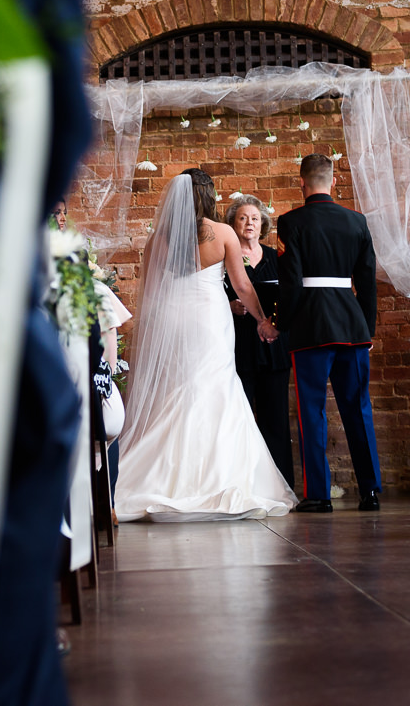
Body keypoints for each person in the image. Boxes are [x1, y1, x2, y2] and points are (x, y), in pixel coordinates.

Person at [113, 169, 298, 521]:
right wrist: (263, 321)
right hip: (210, 321)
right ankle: (219, 478)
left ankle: (163, 477)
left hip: (174, 320)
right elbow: (243, 286)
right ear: (209, 196)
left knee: (178, 390)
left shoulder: (158, 239)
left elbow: (150, 296)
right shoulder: (224, 233)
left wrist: (153, 331)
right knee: (216, 388)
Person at [277, 154, 382, 513]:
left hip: (310, 326)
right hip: (352, 325)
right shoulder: (357, 221)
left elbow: (291, 283)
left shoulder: (291, 222)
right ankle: (370, 490)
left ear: (302, 183)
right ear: (333, 181)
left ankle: (319, 495)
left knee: (312, 411)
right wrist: (366, 330)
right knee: (358, 408)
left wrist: (279, 322)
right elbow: (367, 283)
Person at [223, 193, 295, 485]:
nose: (249, 223)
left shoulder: (277, 258)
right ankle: (242, 486)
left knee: (276, 420)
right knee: (238, 420)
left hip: (274, 348)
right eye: (242, 218)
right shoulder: (224, 259)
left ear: (263, 223)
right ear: (233, 224)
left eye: (254, 218)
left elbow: (290, 297)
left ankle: (282, 485)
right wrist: (230, 306)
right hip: (239, 348)